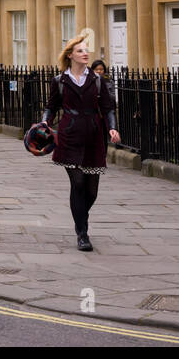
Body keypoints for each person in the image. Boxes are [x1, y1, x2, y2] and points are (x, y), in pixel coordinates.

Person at [43, 29, 120, 252]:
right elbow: (51, 107)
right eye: (80, 51)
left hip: (94, 136)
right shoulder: (59, 80)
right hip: (69, 135)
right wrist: (45, 122)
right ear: (70, 55)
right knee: (77, 183)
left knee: (92, 190)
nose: (85, 54)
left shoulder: (97, 81)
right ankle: (82, 233)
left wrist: (112, 128)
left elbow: (108, 109)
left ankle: (80, 216)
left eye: (86, 50)